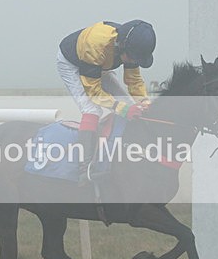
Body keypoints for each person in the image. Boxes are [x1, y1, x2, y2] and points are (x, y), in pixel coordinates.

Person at [56, 19, 156, 183]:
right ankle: (84, 167)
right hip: (72, 63)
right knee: (92, 110)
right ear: (122, 47)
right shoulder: (96, 46)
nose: (132, 62)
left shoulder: (129, 47)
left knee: (130, 105)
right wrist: (122, 110)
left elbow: (134, 82)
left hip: (98, 64)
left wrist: (144, 102)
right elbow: (94, 92)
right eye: (132, 58)